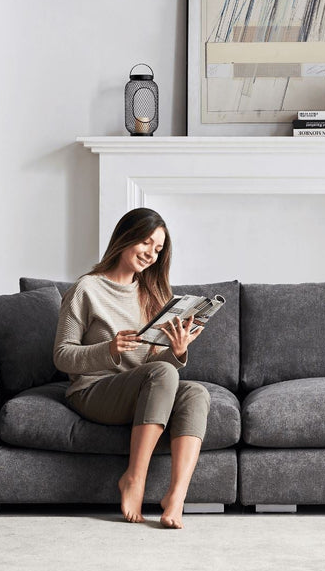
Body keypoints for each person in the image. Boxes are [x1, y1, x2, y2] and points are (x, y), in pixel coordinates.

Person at [53, 207, 210, 529]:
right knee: (165, 375)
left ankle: (176, 497)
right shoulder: (87, 289)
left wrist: (177, 352)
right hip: (94, 391)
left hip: (138, 390)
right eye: (146, 243)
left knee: (195, 391)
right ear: (125, 237)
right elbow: (62, 355)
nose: (151, 254)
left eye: (158, 249)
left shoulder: (154, 294)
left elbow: (155, 370)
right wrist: (108, 349)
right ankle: (134, 479)